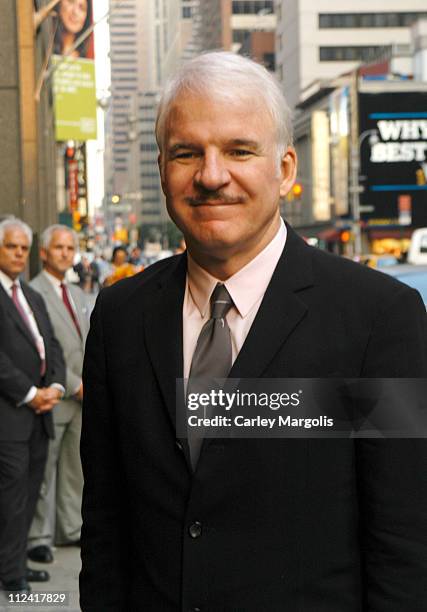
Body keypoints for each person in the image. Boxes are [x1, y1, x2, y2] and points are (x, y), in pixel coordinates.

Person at [80, 53, 427, 611]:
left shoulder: (378, 319)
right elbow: (105, 524)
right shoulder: (120, 317)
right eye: (186, 152)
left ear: (286, 169)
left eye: (239, 150)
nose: (211, 176)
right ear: (164, 168)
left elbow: (404, 540)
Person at [0, 218, 65, 595]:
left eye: (24, 248)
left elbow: (50, 346)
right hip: (11, 415)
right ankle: (11, 573)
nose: (20, 254)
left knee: (29, 491)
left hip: (40, 416)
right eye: (12, 246)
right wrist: (28, 393)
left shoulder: (32, 296)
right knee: (11, 497)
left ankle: (15, 561)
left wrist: (54, 384)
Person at [27, 225, 90, 565]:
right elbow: (42, 349)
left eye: (70, 248)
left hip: (83, 398)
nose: (65, 253)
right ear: (44, 253)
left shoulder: (78, 294)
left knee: (74, 468)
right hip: (55, 394)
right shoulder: (32, 292)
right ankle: (38, 537)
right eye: (59, 247)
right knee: (43, 470)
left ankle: (70, 528)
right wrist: (74, 383)